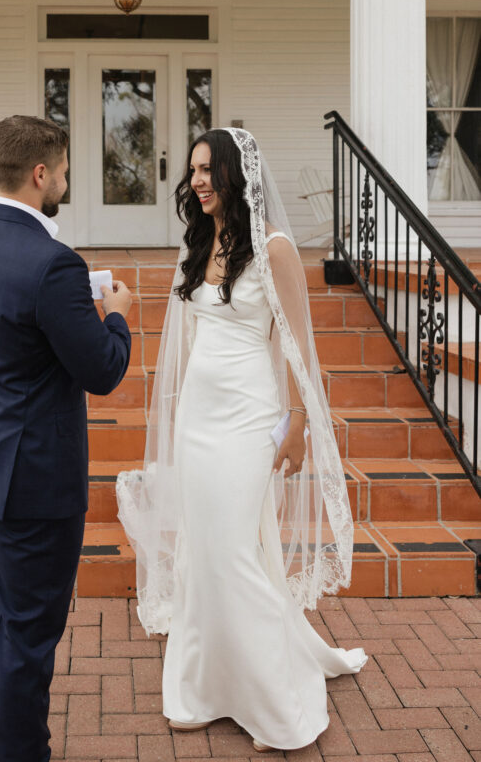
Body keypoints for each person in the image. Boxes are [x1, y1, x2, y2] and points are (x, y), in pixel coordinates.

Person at [117, 127, 366, 754]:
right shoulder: (202, 241)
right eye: (193, 171)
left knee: (231, 550)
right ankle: (204, 687)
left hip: (252, 419)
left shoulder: (275, 250)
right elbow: (193, 334)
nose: (197, 180)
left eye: (208, 170)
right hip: (199, 419)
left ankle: (275, 701)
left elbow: (299, 345)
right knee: (205, 550)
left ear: (236, 174)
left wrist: (299, 425)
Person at [0, 115, 133, 762]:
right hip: (36, 477)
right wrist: (115, 317)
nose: (68, 181)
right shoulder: (53, 265)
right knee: (28, 632)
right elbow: (101, 371)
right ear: (40, 174)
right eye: (67, 171)